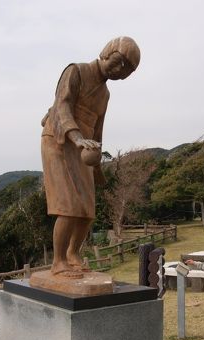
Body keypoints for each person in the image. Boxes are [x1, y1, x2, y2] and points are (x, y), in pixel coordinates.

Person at [41, 37, 141, 278]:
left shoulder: (104, 95)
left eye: (125, 70)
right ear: (106, 53)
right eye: (117, 63)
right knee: (69, 205)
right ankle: (58, 261)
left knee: (87, 209)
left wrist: (97, 162)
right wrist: (76, 138)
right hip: (59, 139)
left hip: (84, 148)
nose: (118, 71)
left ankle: (73, 254)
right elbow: (62, 106)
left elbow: (97, 130)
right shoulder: (76, 71)